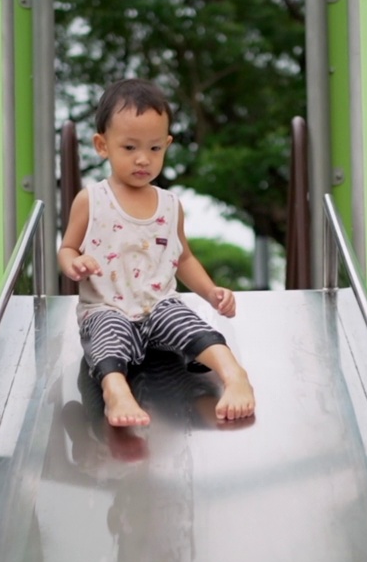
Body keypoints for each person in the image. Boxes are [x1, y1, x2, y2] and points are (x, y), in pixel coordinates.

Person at [58, 78, 255, 427]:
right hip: (108, 307)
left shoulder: (170, 204)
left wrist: (210, 292)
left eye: (154, 149)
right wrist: (75, 263)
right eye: (130, 147)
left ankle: (234, 374)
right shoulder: (92, 200)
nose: (142, 159)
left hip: (158, 303)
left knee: (187, 323)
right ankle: (115, 391)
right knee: (107, 338)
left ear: (167, 145)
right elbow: (68, 248)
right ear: (102, 146)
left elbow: (184, 258)